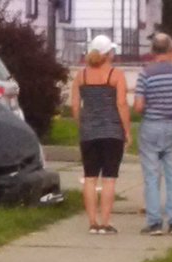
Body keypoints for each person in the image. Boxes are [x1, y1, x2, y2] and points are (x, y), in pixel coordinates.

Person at [134, 33, 172, 236]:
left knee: (152, 176)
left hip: (151, 126)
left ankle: (154, 223)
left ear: (152, 51)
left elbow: (138, 106)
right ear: (171, 51)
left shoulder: (146, 73)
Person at [70, 34, 131, 235]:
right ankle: (105, 222)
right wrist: (127, 130)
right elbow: (121, 104)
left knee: (89, 177)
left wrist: (83, 123)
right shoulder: (115, 74)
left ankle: (92, 222)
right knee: (109, 178)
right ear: (107, 54)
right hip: (112, 131)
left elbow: (75, 106)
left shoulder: (81, 75)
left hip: (89, 132)